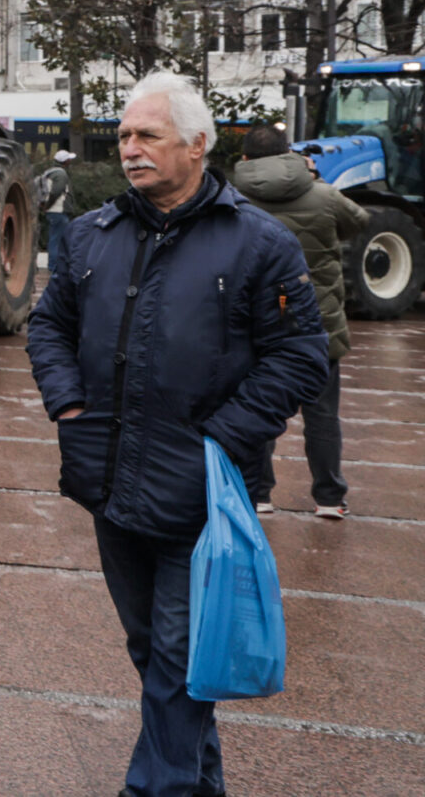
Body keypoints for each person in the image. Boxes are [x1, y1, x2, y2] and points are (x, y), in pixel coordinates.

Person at [27, 71, 327, 797]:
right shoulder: (93, 234)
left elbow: (301, 354)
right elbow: (49, 325)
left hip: (202, 494)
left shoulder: (259, 242)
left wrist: (220, 438)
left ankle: (154, 788)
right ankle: (199, 782)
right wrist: (68, 405)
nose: (129, 148)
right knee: (154, 652)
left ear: (197, 145)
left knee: (176, 655)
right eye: (124, 135)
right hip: (108, 482)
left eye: (147, 135)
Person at [232, 121, 366, 518]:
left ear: (244, 158)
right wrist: (317, 181)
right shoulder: (324, 194)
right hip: (318, 321)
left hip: (257, 325)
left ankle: (259, 493)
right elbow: (359, 222)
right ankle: (329, 498)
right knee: (322, 415)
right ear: (289, 153)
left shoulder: (232, 199)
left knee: (257, 407)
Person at [39, 147, 78, 277]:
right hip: (58, 211)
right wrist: (48, 205)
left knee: (55, 238)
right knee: (58, 240)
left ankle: (54, 266)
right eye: (68, 159)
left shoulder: (50, 172)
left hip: (53, 211)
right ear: (64, 161)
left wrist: (45, 206)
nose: (70, 161)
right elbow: (57, 191)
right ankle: (54, 267)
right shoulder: (61, 174)